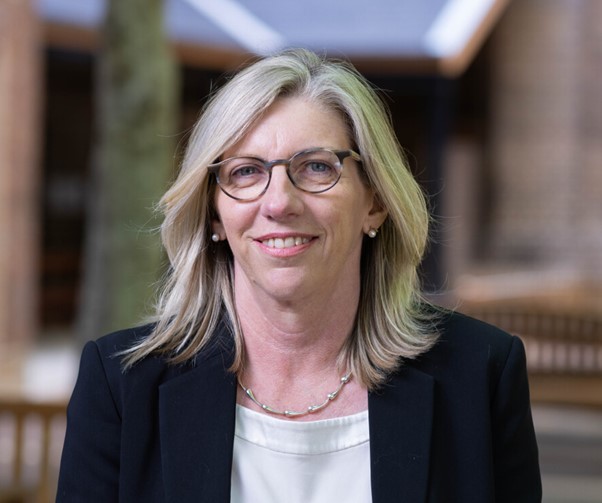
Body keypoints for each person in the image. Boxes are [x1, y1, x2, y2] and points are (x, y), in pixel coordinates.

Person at [57, 49, 541, 502]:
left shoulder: (481, 374)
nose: (279, 202)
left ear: (374, 202)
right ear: (213, 215)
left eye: (315, 167)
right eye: (245, 172)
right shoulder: (121, 385)